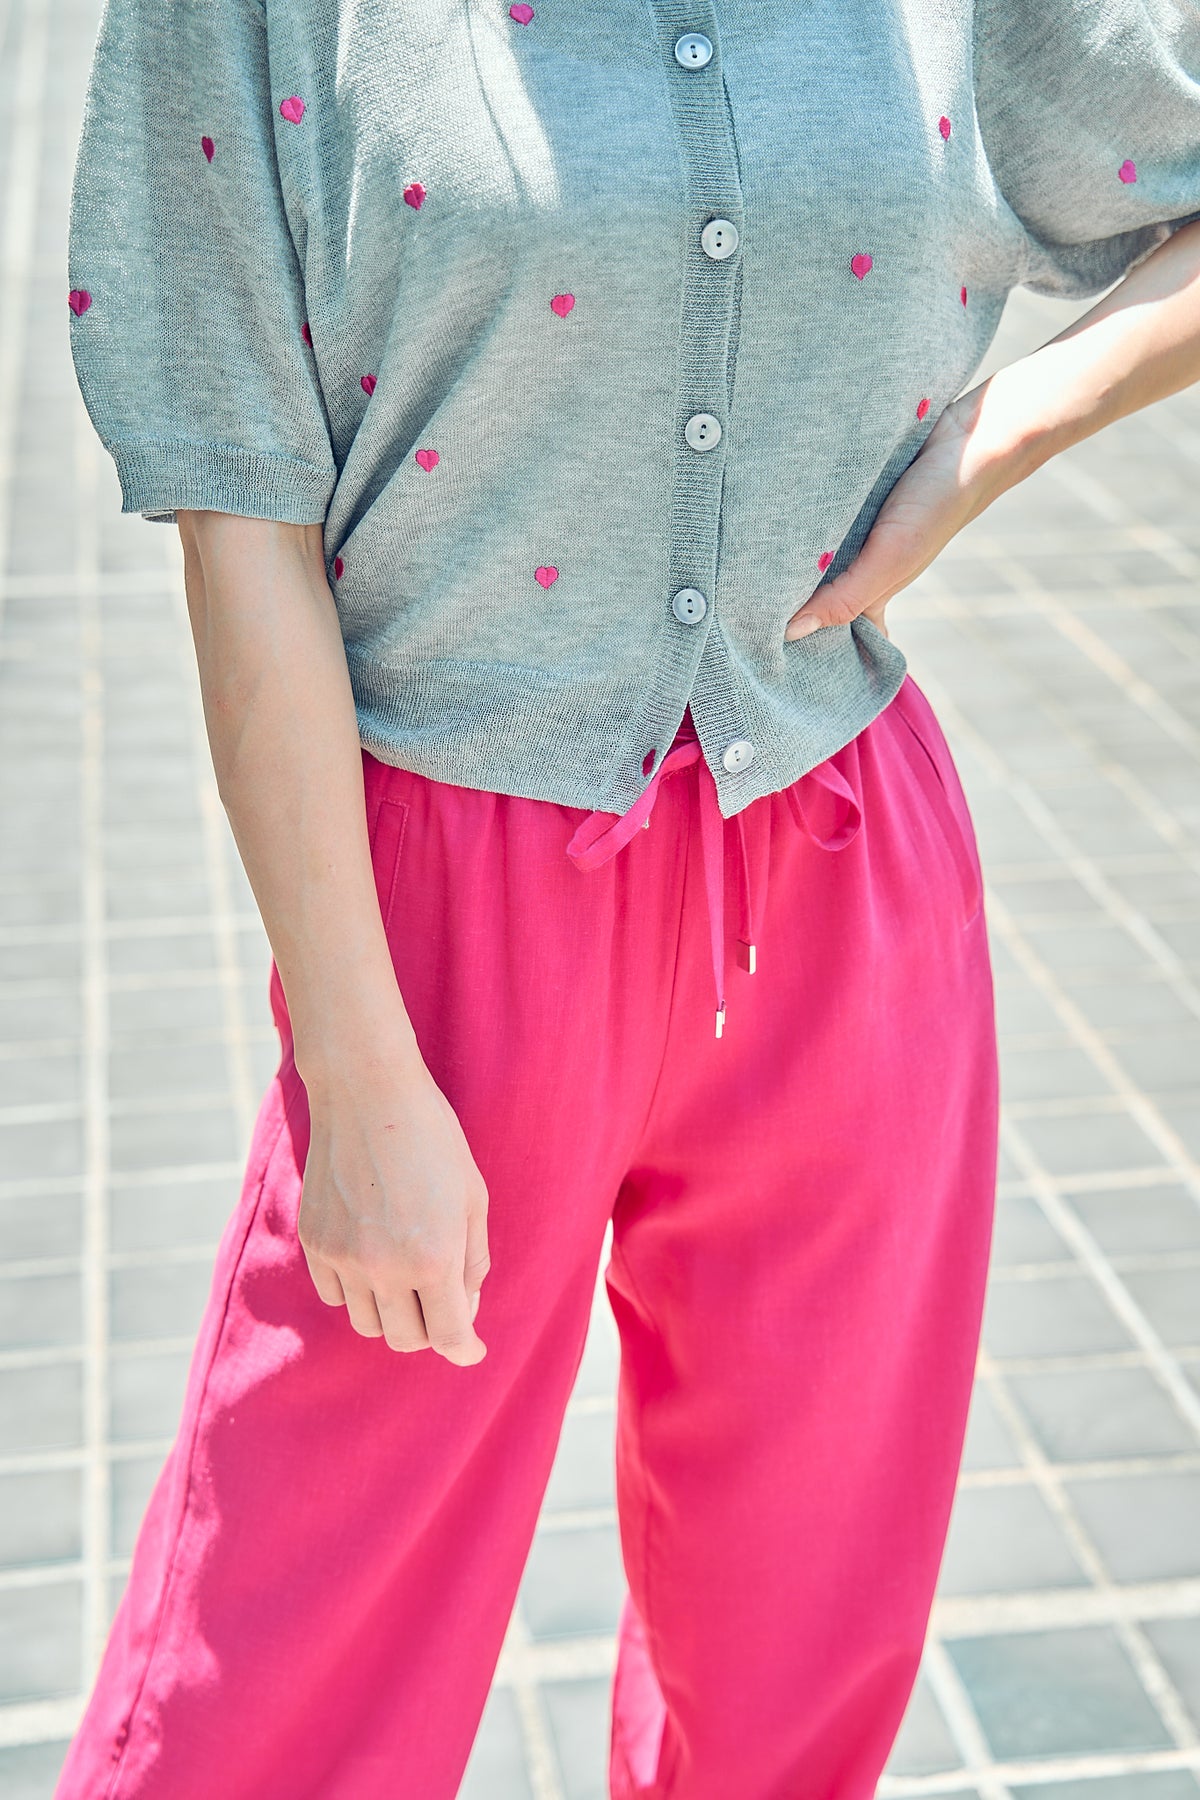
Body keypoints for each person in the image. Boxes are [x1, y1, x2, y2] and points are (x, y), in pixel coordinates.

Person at [56, 0, 1200, 1794]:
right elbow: (238, 515)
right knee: (279, 1680)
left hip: (843, 869)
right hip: (445, 930)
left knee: (792, 1656)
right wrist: (357, 1073)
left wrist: (1003, 434)